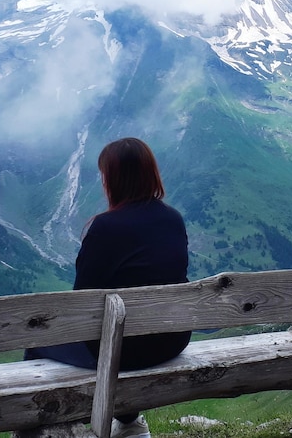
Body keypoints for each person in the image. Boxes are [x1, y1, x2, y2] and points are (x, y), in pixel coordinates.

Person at [25, 137, 191, 438]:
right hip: (172, 340)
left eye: (104, 175)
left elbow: (81, 303)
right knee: (121, 339)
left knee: (38, 341)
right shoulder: (174, 220)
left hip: (122, 351)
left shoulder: (105, 228)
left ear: (115, 179)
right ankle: (130, 424)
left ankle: (44, 431)